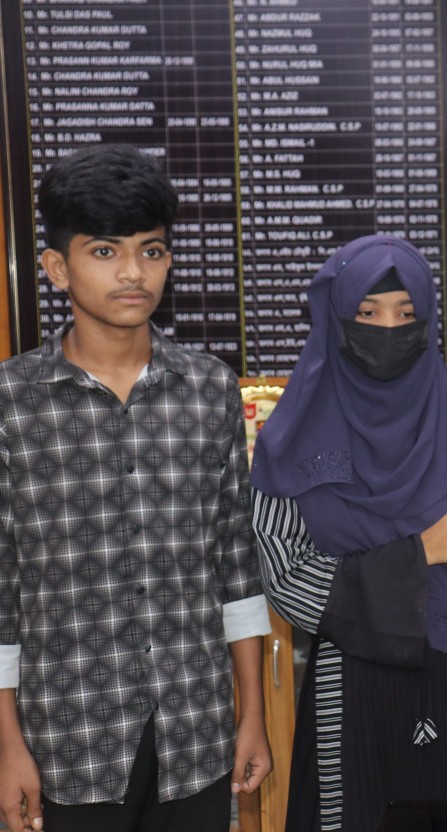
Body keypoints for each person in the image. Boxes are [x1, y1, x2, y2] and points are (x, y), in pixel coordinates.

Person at [0, 144, 272, 832]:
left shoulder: (209, 388)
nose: (132, 272)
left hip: (196, 731)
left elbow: (235, 566)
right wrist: (6, 746)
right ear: (57, 267)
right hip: (67, 743)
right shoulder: (12, 403)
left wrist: (252, 716)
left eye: (151, 251)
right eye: (105, 252)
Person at [249, 235, 447, 832]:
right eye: (369, 314)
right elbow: (287, 582)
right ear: (338, 320)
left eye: (406, 314)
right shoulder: (288, 443)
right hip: (350, 689)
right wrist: (419, 553)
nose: (389, 330)